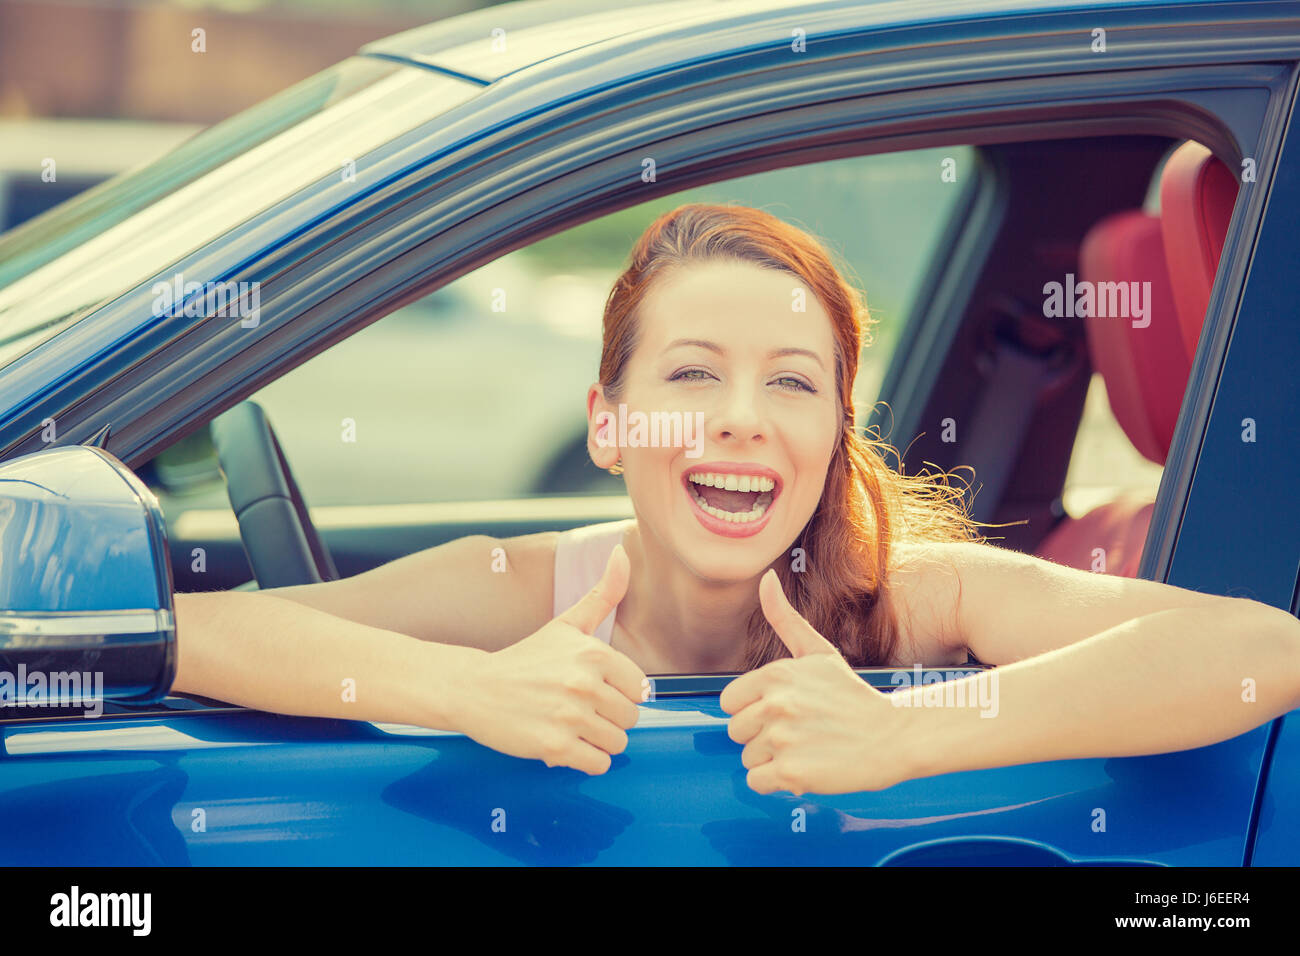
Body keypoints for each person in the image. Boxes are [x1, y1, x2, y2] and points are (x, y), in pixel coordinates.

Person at [171, 203, 1300, 796]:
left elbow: (1261, 649)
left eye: (794, 384)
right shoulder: (521, 587)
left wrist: (908, 726)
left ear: (832, 437)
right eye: (693, 373)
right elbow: (193, 632)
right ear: (607, 424)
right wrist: (472, 687)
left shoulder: (912, 592)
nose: (742, 417)